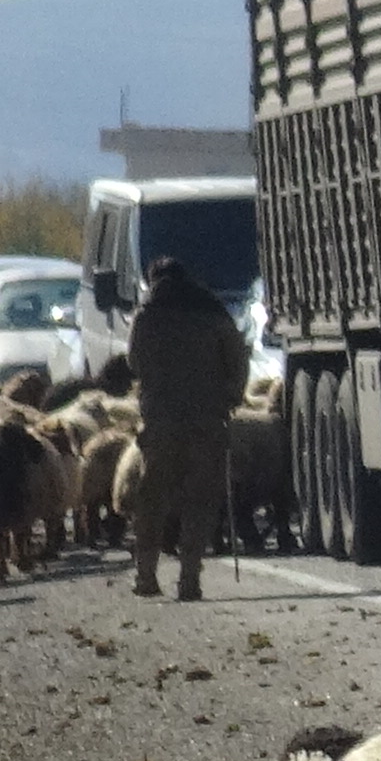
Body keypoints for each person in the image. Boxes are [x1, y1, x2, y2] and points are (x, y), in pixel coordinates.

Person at [123, 257, 242, 602]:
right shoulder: (213, 312)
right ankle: (189, 578)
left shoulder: (146, 315)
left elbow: (133, 361)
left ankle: (146, 574)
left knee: (152, 497)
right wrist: (230, 397)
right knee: (200, 499)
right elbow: (237, 361)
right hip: (207, 420)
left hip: (161, 421)